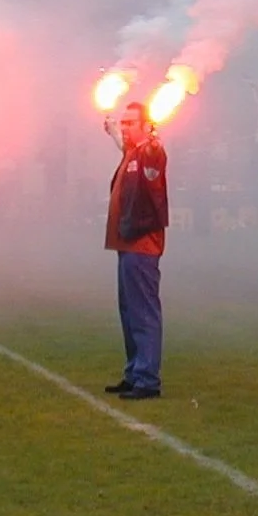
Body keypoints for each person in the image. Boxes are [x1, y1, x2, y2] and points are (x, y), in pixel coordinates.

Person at [102, 102, 170, 400]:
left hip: (141, 245)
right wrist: (114, 133)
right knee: (129, 312)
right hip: (126, 243)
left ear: (146, 126)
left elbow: (152, 156)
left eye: (131, 123)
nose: (126, 127)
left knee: (143, 312)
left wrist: (153, 138)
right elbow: (127, 150)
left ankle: (147, 379)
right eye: (124, 123)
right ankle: (134, 372)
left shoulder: (150, 152)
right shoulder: (132, 153)